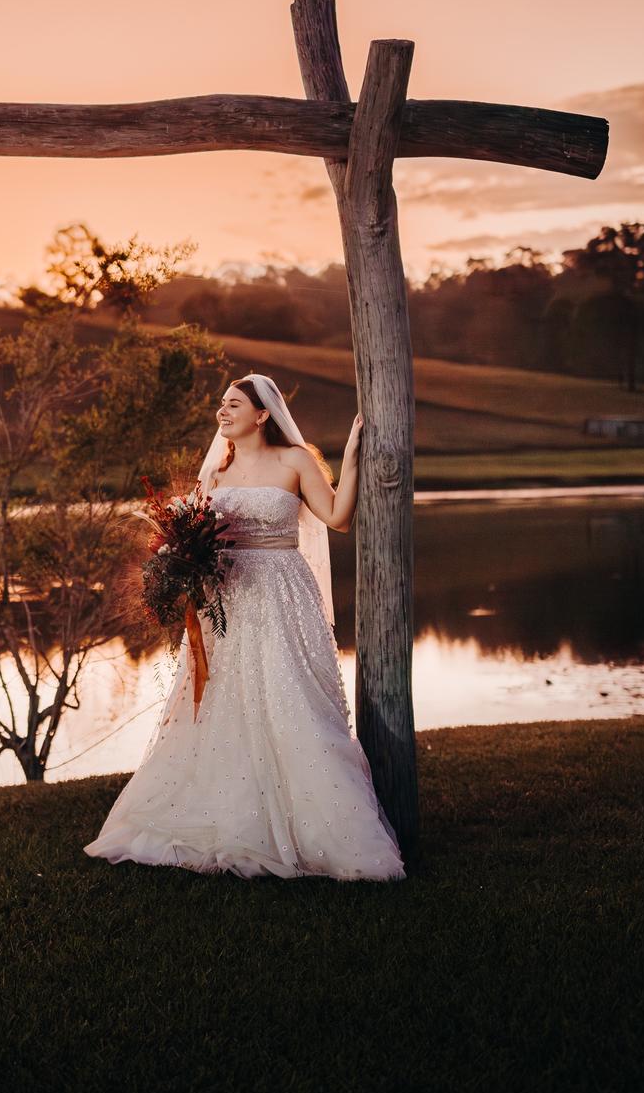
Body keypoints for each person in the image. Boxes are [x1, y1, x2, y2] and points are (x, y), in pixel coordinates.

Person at [84, 374, 405, 880]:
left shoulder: (295, 461)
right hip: (228, 603)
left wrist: (351, 457)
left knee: (290, 699)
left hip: (282, 595)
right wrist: (181, 564)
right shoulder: (216, 473)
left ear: (262, 414)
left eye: (233, 404)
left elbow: (338, 518)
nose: (222, 412)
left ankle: (323, 831)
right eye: (220, 404)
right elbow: (197, 536)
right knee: (226, 706)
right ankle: (230, 820)